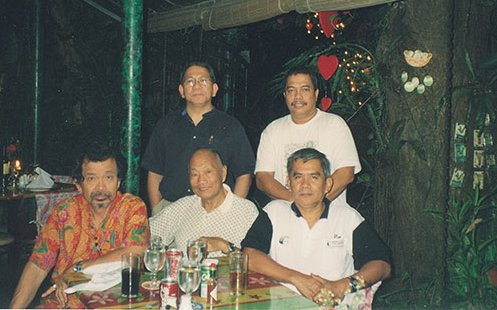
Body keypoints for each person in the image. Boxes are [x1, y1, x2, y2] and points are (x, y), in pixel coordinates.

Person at [242, 148, 391, 306]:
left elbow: (382, 265)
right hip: (282, 304)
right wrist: (295, 278)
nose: (305, 185)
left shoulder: (347, 217)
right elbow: (249, 255)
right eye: (298, 177)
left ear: (327, 184)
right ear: (288, 183)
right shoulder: (273, 212)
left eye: (314, 177)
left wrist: (343, 285)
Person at [10, 142, 150, 309]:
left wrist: (78, 268)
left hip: (115, 301)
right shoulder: (63, 213)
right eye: (91, 178)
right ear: (78, 184)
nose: (101, 187)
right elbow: (37, 265)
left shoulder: (132, 207)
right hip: (65, 301)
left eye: (109, 177)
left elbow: (136, 252)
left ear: (118, 182)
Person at [142, 61, 255, 215]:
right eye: (190, 81)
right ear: (181, 90)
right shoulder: (166, 125)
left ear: (214, 89)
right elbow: (154, 173)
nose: (196, 86)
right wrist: (158, 211)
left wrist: (230, 212)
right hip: (171, 210)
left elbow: (244, 174)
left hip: (215, 211)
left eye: (203, 80)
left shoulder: (231, 126)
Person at [255, 66, 361, 206]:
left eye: (305, 89)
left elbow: (346, 173)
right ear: (285, 95)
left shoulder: (334, 124)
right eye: (291, 90)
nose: (298, 96)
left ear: (316, 94)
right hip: (287, 213)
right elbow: (263, 178)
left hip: (330, 214)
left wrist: (317, 205)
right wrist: (295, 203)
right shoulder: (272, 131)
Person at [150, 148, 258, 255]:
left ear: (223, 172)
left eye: (208, 172)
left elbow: (256, 261)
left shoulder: (246, 211)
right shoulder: (182, 208)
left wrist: (224, 246)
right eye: (195, 174)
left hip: (227, 272)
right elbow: (143, 235)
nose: (201, 181)